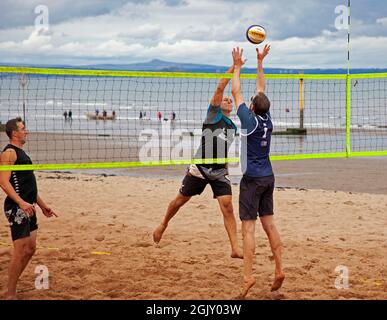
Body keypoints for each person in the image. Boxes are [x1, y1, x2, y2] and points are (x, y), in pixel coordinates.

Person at [153, 65, 243, 259]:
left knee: (227, 206)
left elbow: (223, 149)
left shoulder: (233, 127)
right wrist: (234, 67)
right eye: (226, 99)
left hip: (219, 170)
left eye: (230, 100)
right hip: (200, 168)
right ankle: (163, 224)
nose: (228, 99)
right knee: (180, 201)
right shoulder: (213, 114)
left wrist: (226, 170)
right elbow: (220, 88)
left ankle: (235, 248)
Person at [231, 45, 285, 297]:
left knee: (248, 230)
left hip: (252, 180)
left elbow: (236, 90)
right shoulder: (267, 118)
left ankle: (248, 276)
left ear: (252, 107)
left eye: (252, 102)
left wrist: (238, 67)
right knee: (270, 225)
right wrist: (260, 62)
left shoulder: (249, 120)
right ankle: (279, 269)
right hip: (268, 177)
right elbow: (260, 90)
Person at [0, 117, 58, 300]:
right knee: (20, 251)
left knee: (31, 248)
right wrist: (20, 202)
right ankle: (10, 292)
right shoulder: (9, 153)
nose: (26, 131)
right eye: (23, 128)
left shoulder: (21, 153)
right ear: (14, 132)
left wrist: (42, 205)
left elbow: (28, 184)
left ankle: (10, 287)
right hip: (18, 208)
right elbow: (2, 182)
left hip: (29, 206)